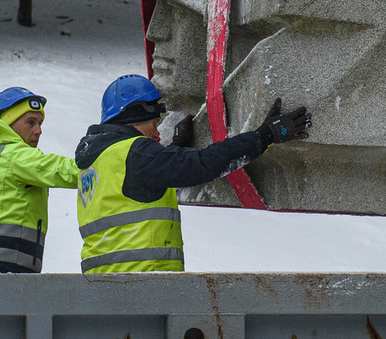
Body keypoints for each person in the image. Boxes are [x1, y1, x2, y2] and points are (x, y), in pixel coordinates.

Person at [75, 74, 311, 273]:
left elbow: (140, 182)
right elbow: (202, 164)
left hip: (104, 280)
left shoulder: (97, 159)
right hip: (140, 281)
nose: (157, 133)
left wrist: (176, 149)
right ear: (135, 117)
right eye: (154, 123)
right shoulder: (135, 153)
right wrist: (264, 136)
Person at [0, 87, 79, 273]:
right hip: (7, 266)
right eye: (30, 122)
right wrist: (101, 164)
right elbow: (63, 170)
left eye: (40, 124)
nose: (39, 131)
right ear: (8, 124)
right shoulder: (16, 155)